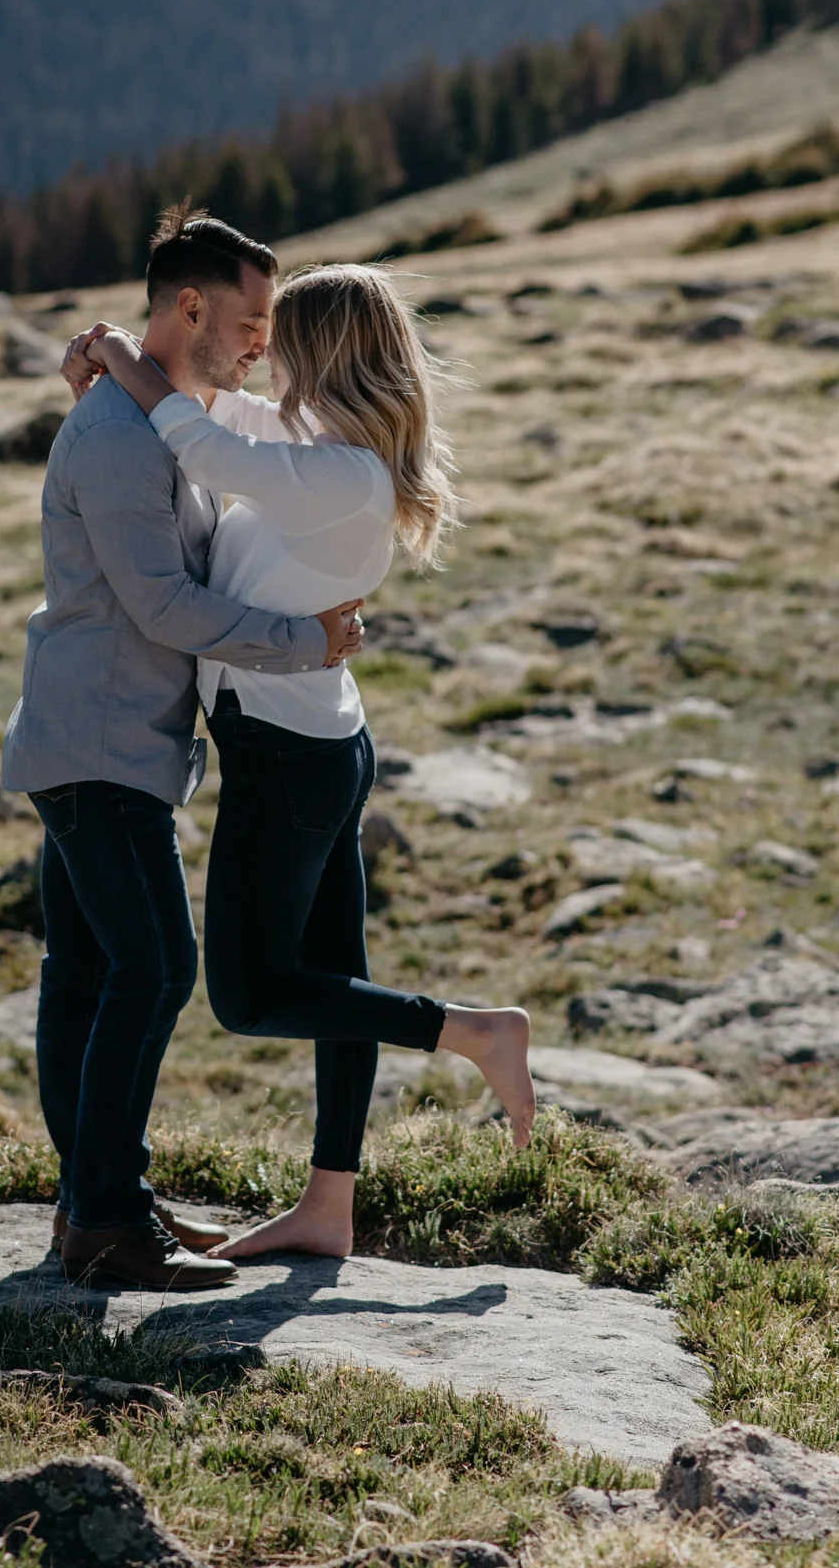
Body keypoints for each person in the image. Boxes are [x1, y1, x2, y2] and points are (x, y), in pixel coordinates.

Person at [63, 260, 537, 1263]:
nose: (262, 347)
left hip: (286, 756)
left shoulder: (337, 474)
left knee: (248, 992)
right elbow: (216, 414)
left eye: (282, 334)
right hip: (318, 742)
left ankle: (471, 1033)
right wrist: (125, 368)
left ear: (322, 351)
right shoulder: (322, 445)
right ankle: (328, 1205)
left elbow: (191, 435)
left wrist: (115, 354)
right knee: (332, 979)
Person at [0, 209, 369, 1292]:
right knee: (154, 968)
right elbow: (163, 604)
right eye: (251, 318)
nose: (264, 340)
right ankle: (107, 1214)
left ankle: (91, 1201)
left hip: (102, 737)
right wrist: (302, 644)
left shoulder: (156, 417)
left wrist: (113, 356)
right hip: (99, 744)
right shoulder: (120, 437)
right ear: (191, 306)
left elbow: (241, 457)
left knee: (85, 973)